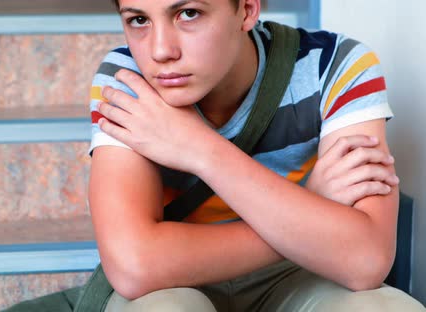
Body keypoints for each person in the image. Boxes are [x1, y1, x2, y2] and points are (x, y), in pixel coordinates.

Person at [88, 0, 426, 310]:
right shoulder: (128, 78)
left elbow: (364, 259)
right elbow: (134, 266)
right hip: (174, 281)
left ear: (248, 9)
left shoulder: (335, 64)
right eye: (138, 20)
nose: (160, 51)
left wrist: (199, 148)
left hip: (301, 273)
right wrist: (308, 205)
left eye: (189, 13)